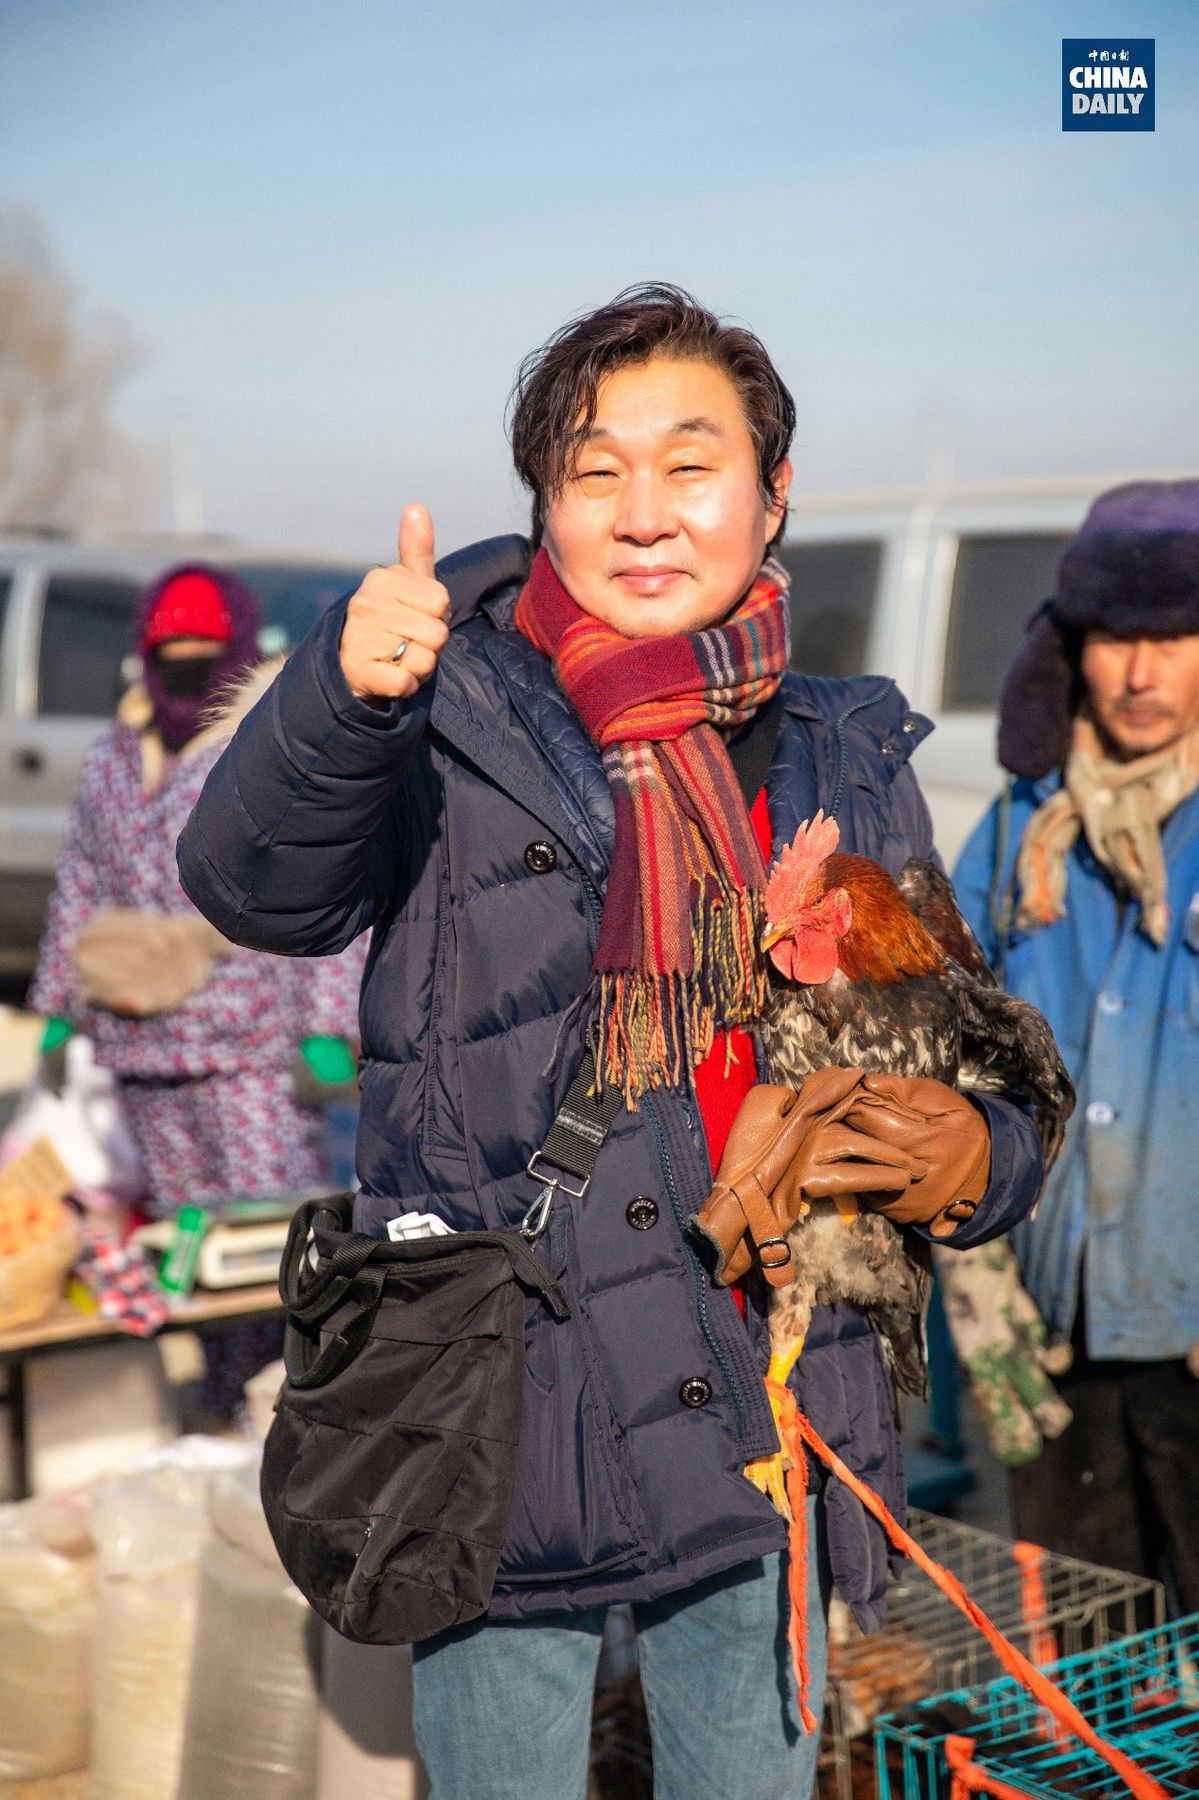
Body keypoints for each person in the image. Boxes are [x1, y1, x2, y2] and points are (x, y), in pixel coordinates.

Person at [178, 285, 1044, 1797]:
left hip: (762, 1399)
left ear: (771, 497)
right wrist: (333, 697)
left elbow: (964, 1049)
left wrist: (983, 1156)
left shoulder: (847, 744)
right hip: (508, 1405)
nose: (643, 513)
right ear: (544, 506)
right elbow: (251, 890)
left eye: (689, 464)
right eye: (595, 471)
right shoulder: (445, 706)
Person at [29, 564, 364, 1423]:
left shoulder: (262, 739)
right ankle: (224, 1408)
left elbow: (314, 873)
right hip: (141, 1045)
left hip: (242, 1043)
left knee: (273, 1242)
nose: (186, 675)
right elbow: (80, 880)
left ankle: (308, 1409)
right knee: (190, 1252)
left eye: (203, 656)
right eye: (169, 656)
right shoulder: (115, 752)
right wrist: (59, 1009)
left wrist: (326, 1023)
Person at [953, 479, 1199, 1614]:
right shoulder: (1015, 828)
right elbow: (943, 1044)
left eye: (1172, 636)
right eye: (1113, 638)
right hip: (1051, 1334)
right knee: (1095, 1670)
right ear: (1069, 650)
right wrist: (976, 1278)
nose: (1140, 674)